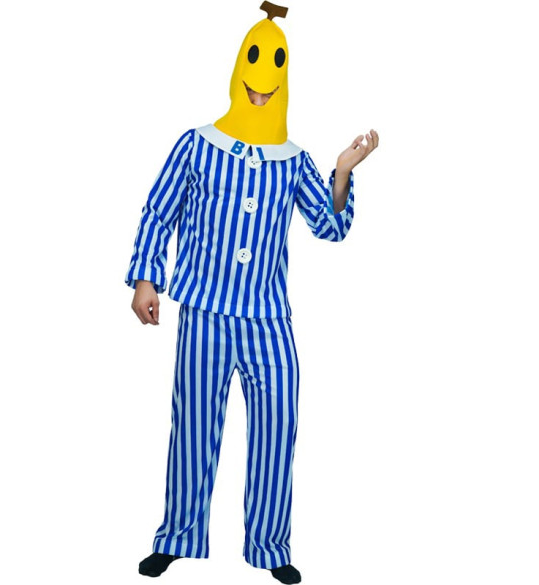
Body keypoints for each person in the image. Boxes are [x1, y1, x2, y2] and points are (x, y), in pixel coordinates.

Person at [125, 3, 378, 583]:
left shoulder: (293, 162)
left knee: (278, 424)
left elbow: (330, 226)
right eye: (255, 68)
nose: (262, 86)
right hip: (205, 312)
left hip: (267, 319)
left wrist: (342, 171)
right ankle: (178, 536)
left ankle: (269, 546)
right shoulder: (197, 145)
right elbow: (159, 211)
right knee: (193, 429)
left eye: (274, 74)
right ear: (240, 68)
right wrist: (145, 279)